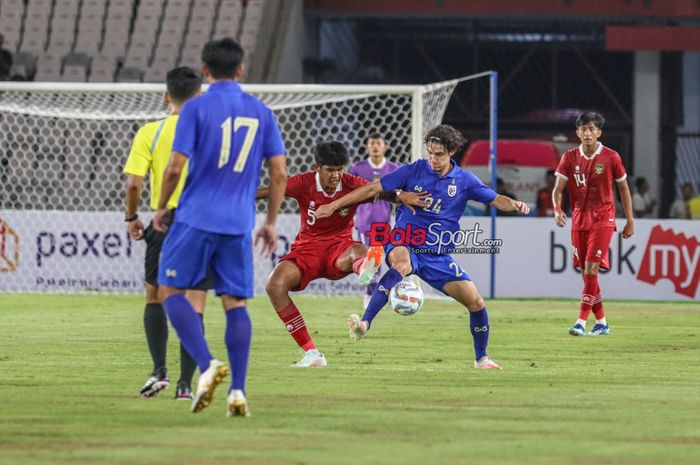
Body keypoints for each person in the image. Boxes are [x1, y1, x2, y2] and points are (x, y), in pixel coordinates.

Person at [316, 124, 530, 370]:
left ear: (451, 152)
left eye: (438, 154)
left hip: (437, 255)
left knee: (476, 303)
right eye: (430, 152)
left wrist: (513, 203)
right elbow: (372, 189)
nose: (432, 158)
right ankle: (364, 323)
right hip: (405, 240)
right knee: (401, 263)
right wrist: (333, 206)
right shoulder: (414, 170)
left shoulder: (464, 180)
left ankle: (482, 359)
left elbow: (495, 199)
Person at [153, 37, 287, 417]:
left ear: (206, 72)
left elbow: (176, 166)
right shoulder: (262, 112)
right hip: (238, 221)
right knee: (235, 302)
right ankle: (238, 392)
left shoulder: (195, 108)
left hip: (196, 216)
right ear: (241, 70)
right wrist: (271, 222)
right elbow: (279, 173)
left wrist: (162, 207)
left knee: (170, 289)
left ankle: (208, 364)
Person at [258, 141, 425, 368]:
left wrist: (401, 196)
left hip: (340, 247)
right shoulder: (303, 182)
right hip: (307, 250)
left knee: (361, 250)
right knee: (274, 285)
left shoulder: (350, 182)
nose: (336, 175)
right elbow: (270, 191)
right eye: (330, 170)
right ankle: (312, 354)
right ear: (318, 168)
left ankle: (365, 267)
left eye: (340, 169)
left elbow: (379, 191)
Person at [124, 66, 207, 400]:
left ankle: (159, 371)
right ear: (199, 97)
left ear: (165, 96)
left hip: (164, 221)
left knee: (155, 296)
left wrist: (131, 217)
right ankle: (186, 385)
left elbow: (133, 183)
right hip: (202, 222)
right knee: (195, 302)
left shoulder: (150, 133)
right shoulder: (209, 133)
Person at [552, 111, 634, 337]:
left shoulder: (611, 157)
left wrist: (629, 219)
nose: (587, 133)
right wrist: (557, 210)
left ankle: (580, 322)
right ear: (577, 133)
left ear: (599, 132)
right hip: (579, 220)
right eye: (583, 129)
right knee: (588, 275)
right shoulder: (569, 157)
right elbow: (557, 190)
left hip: (603, 218)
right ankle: (602, 323)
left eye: (591, 129)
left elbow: (623, 189)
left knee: (590, 269)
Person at [348, 132, 399, 309]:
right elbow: (350, 194)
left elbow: (400, 195)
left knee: (379, 259)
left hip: (383, 221)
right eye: (372, 143)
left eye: (379, 143)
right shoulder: (357, 168)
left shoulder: (393, 169)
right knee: (372, 258)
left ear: (385, 146)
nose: (376, 146)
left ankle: (371, 291)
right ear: (366, 147)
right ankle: (371, 294)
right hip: (364, 221)